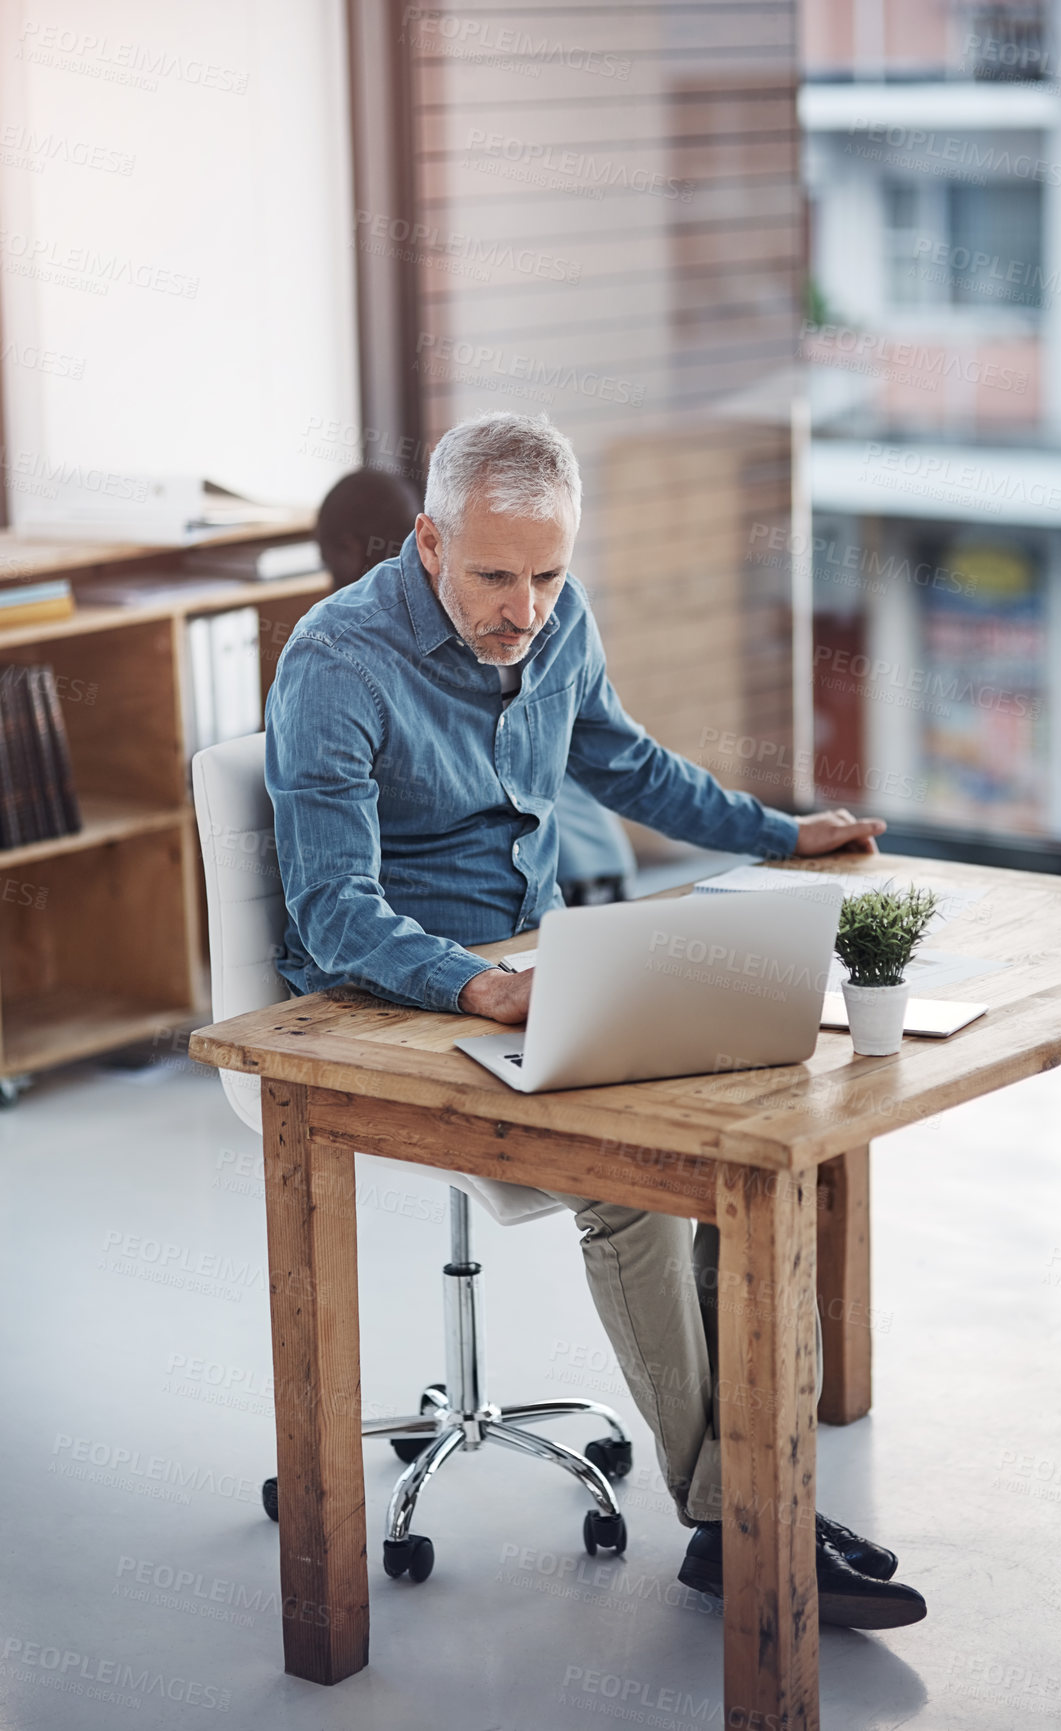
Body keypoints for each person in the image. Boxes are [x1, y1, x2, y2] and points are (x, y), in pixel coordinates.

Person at [267, 413, 926, 1629]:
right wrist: (478, 984)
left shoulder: (555, 622)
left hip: (535, 979)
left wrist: (784, 835)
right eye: (496, 577)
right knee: (634, 1184)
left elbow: (627, 764)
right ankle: (741, 1532)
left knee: (757, 1130)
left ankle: (754, 1508)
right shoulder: (337, 661)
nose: (527, 609)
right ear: (428, 541)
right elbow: (332, 913)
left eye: (550, 574)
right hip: (391, 1005)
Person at [316, 465, 636, 906]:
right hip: (605, 861)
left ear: (348, 552)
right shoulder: (487, 626)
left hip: (569, 881)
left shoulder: (457, 635)